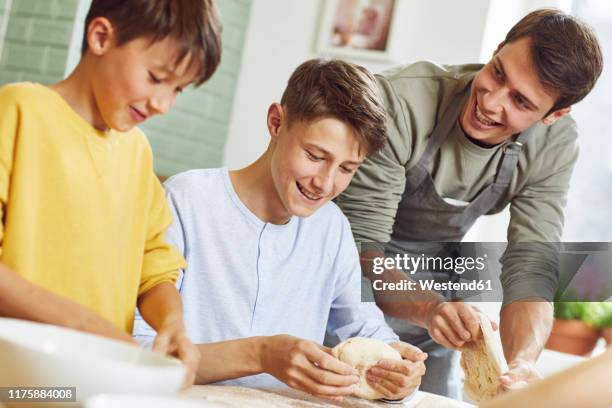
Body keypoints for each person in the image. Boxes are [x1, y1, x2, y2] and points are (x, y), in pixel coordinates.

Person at [334, 8, 603, 398]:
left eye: (521, 102)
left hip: (436, 293)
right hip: (349, 285)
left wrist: (523, 363)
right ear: (497, 49)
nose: (491, 103)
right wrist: (430, 310)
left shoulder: (554, 145)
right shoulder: (402, 101)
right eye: (497, 72)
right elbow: (360, 249)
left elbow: (531, 269)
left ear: (555, 114)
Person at [134, 59, 427, 402]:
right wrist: (261, 355)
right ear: (276, 122)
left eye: (347, 168)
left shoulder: (331, 228)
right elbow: (142, 354)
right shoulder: (186, 201)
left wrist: (398, 367)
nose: (326, 183)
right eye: (315, 155)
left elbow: (366, 329)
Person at [0, 0, 222, 385]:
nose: (163, 104)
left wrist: (172, 325)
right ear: (101, 37)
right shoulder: (19, 111)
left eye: (178, 90)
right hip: (15, 380)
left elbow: (154, 270)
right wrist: (83, 326)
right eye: (155, 77)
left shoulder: (137, 154)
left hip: (89, 382)